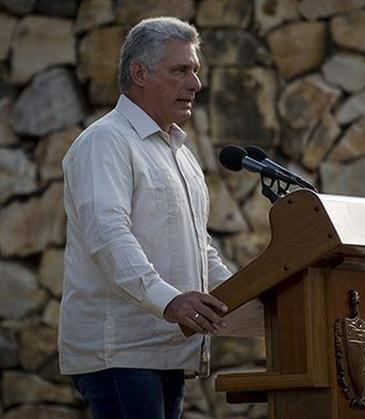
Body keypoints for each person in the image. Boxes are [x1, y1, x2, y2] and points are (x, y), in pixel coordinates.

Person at [59, 17, 233, 419]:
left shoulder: (180, 153)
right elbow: (108, 235)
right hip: (121, 354)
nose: (196, 84)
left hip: (170, 351)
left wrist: (242, 295)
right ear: (140, 73)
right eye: (180, 70)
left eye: (196, 71)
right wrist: (169, 300)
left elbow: (197, 244)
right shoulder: (105, 142)